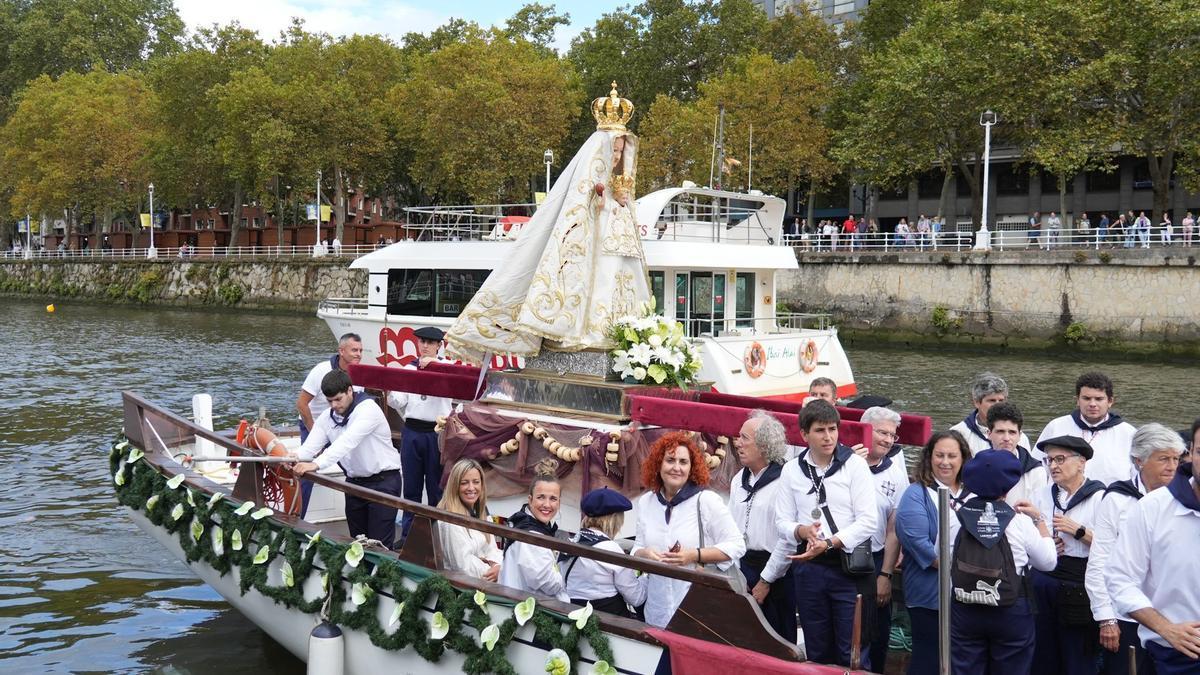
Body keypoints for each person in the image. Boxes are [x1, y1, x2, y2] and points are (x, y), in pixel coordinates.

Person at [446, 83, 651, 363]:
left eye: (619, 152)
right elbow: (580, 220)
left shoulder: (619, 186)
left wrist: (622, 203)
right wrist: (602, 206)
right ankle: (584, 330)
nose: (616, 158)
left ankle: (620, 331)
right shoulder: (585, 184)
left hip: (618, 255)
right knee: (598, 290)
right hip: (593, 256)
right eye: (613, 151)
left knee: (619, 288)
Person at [777, 400, 878, 668]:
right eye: (820, 430)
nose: (828, 437)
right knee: (817, 650)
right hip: (809, 569)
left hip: (848, 569)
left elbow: (869, 521)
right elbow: (782, 522)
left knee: (851, 652)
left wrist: (830, 543)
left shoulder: (854, 466)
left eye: (833, 429)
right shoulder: (791, 470)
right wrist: (801, 530)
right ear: (804, 434)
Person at [1086, 423, 1184, 675]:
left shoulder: (1185, 499)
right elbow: (1100, 561)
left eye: (1175, 458)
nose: (1172, 466)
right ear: (1139, 460)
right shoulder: (1118, 499)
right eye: (1163, 459)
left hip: (1177, 616)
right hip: (1129, 616)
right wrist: (1106, 617)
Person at [950, 449, 1057, 675]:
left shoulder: (955, 518)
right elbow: (1048, 562)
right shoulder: (1019, 522)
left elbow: (941, 555)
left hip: (964, 605)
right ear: (1008, 487)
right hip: (1010, 608)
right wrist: (1039, 520)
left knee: (965, 669)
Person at [632, 431, 745, 628]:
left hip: (697, 609)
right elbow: (637, 548)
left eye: (683, 462)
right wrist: (645, 554)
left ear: (692, 468)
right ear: (658, 464)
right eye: (670, 460)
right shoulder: (646, 502)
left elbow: (737, 545)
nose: (676, 467)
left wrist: (693, 555)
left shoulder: (706, 501)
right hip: (657, 609)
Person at [1017, 436, 1107, 675]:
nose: (1053, 466)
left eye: (1060, 459)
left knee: (1077, 653)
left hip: (1080, 581)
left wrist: (1079, 532)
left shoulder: (1101, 497)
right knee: (1042, 652)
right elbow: (1025, 538)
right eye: (1049, 460)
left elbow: (1114, 547)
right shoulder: (1042, 495)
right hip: (1044, 579)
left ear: (1081, 463)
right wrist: (1044, 542)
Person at [1106, 458, 1200, 674]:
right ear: (1192, 454)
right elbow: (1120, 577)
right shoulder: (1154, 507)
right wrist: (1165, 628)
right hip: (1177, 655)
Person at [291, 370, 403, 549]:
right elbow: (310, 446)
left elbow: (347, 442)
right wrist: (291, 457)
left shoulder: (368, 410)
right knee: (357, 543)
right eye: (329, 401)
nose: (334, 405)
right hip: (354, 484)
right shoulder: (329, 417)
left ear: (350, 391)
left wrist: (316, 464)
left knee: (379, 545)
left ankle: (379, 575)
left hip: (383, 483)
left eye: (338, 399)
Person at [896, 430, 974, 675]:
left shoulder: (974, 493)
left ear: (963, 459)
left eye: (952, 455)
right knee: (929, 656)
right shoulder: (916, 494)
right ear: (929, 457)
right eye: (939, 455)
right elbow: (918, 543)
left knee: (963, 655)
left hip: (968, 593)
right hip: (929, 593)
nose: (945, 462)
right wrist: (961, 569)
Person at [728, 411, 796, 639]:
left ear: (764, 445)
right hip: (742, 567)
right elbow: (731, 527)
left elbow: (788, 539)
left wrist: (766, 580)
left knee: (776, 639)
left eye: (744, 438)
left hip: (775, 573)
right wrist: (734, 571)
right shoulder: (739, 479)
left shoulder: (786, 479)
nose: (738, 443)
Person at [387, 326, 453, 541]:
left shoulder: (448, 368)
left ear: (438, 346)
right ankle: (408, 536)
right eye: (421, 342)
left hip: (436, 433)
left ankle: (437, 538)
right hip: (413, 432)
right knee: (412, 488)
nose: (424, 346)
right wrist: (388, 387)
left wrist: (432, 367)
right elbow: (399, 401)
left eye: (429, 342)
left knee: (436, 490)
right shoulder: (409, 369)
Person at [857, 406, 910, 672]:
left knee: (876, 630)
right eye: (882, 432)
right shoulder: (843, 462)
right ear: (865, 430)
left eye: (893, 435)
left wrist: (886, 575)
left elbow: (893, 529)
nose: (889, 440)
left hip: (875, 557)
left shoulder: (896, 475)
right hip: (840, 555)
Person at [295, 333, 364, 515]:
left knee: (352, 466)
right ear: (341, 351)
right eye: (354, 350)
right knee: (306, 473)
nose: (359, 354)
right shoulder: (321, 370)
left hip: (340, 426)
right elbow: (301, 404)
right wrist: (313, 436)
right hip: (313, 424)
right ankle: (297, 516)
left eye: (360, 351)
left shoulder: (359, 374)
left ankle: (357, 508)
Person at [1035, 372, 1137, 486]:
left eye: (1099, 399)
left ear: (1110, 401)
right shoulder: (1056, 427)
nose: (1092, 404)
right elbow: (1037, 469)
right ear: (1077, 400)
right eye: (1086, 398)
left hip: (1110, 500)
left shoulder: (1128, 434)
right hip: (1061, 499)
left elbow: (1138, 475)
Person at [563, 488, 646, 619]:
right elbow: (636, 598)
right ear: (614, 519)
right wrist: (647, 577)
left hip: (572, 614)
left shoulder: (572, 541)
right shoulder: (610, 548)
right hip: (606, 620)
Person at [499, 472, 570, 602]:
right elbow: (548, 584)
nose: (547, 505)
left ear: (559, 503)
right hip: (528, 611)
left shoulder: (527, 522)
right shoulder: (532, 537)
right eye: (541, 497)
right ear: (530, 500)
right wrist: (567, 574)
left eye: (553, 499)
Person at [436, 458, 502, 582]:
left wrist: (498, 566)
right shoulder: (451, 519)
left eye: (476, 482)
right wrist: (491, 572)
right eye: (464, 483)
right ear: (455, 486)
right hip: (461, 586)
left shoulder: (482, 513)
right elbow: (463, 566)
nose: (471, 488)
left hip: (484, 580)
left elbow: (492, 549)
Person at [949, 372, 1032, 454]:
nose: (997, 405)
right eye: (992, 400)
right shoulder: (959, 433)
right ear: (976, 402)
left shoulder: (1020, 438)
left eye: (1001, 400)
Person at [985, 402, 1049, 505]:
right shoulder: (977, 466)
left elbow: (1040, 512)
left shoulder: (1036, 472)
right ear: (989, 434)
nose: (1006, 438)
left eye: (1012, 432)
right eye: (1000, 431)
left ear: (1020, 435)